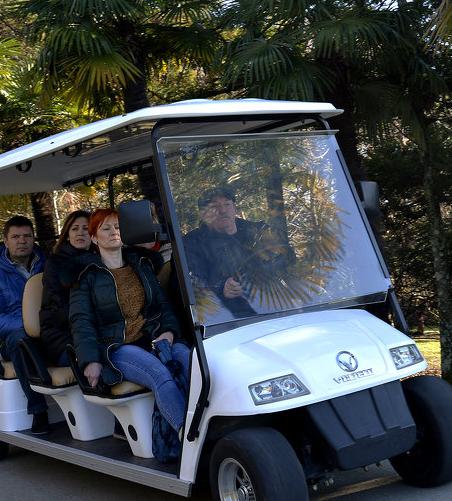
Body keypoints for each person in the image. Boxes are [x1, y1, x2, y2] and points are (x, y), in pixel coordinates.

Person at [68, 208, 190, 436]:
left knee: (193, 364)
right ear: (94, 238)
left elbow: (163, 306)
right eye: (106, 228)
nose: (114, 232)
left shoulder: (141, 266)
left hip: (153, 338)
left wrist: (170, 333)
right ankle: (189, 435)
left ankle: (214, 427)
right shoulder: (85, 275)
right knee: (158, 373)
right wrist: (90, 360)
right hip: (116, 347)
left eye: (117, 227)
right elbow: (81, 321)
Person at [0, 215, 49, 433]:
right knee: (21, 340)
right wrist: (30, 324)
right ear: (5, 241)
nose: (22, 241)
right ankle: (38, 410)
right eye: (15, 236)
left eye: (27, 236)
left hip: (49, 330)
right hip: (14, 338)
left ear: (34, 238)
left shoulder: (48, 267)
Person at [181, 186, 292, 317]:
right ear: (203, 215)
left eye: (227, 204)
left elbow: (289, 256)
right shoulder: (191, 243)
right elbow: (187, 282)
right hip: (228, 318)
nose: (223, 210)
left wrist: (272, 263)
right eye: (215, 207)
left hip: (280, 306)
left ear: (235, 209)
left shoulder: (259, 231)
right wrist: (220, 286)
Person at [39, 210, 92, 367]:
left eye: (86, 228)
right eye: (75, 229)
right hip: (62, 336)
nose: (80, 233)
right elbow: (58, 309)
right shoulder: (55, 264)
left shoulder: (100, 260)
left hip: (93, 332)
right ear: (67, 234)